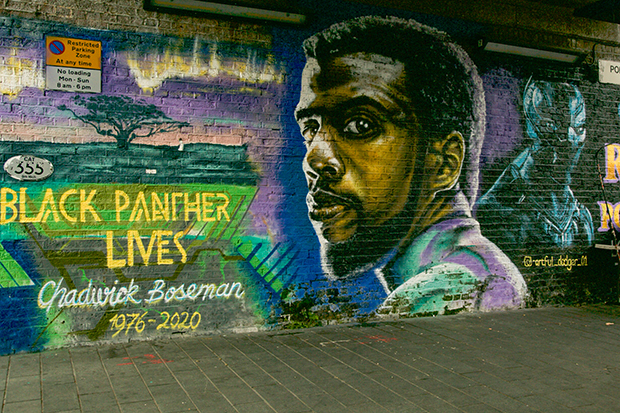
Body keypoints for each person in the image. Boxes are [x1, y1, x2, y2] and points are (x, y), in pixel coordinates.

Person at [295, 15, 527, 316]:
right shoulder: (472, 272)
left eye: (360, 124)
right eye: (310, 129)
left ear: (444, 163)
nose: (314, 160)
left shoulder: (444, 293)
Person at [476, 80, 594, 255]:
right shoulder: (497, 209)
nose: (569, 140)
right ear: (531, 128)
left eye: (578, 127)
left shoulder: (580, 216)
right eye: (551, 127)